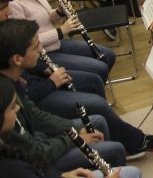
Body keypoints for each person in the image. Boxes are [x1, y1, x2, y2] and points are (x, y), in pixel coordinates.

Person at [0, 4, 153, 160]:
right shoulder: (8, 89)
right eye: (2, 7)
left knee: (95, 82)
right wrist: (74, 137)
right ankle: (129, 143)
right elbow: (34, 140)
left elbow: (34, 109)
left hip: (40, 78)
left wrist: (42, 69)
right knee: (97, 106)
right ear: (17, 59)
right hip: (40, 96)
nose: (8, 12)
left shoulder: (14, 65)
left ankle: (116, 137)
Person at [0, 20, 135, 173]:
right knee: (115, 150)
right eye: (35, 46)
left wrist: (75, 130)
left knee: (98, 122)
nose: (41, 49)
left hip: (36, 140)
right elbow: (35, 151)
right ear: (17, 59)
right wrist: (74, 139)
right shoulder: (5, 96)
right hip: (37, 162)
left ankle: (107, 166)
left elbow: (36, 116)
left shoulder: (13, 80)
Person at [0, 74, 142, 178]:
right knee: (130, 169)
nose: (18, 108)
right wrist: (74, 139)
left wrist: (61, 175)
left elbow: (36, 163)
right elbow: (35, 154)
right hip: (39, 152)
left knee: (98, 121)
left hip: (39, 153)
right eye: (12, 107)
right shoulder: (11, 166)